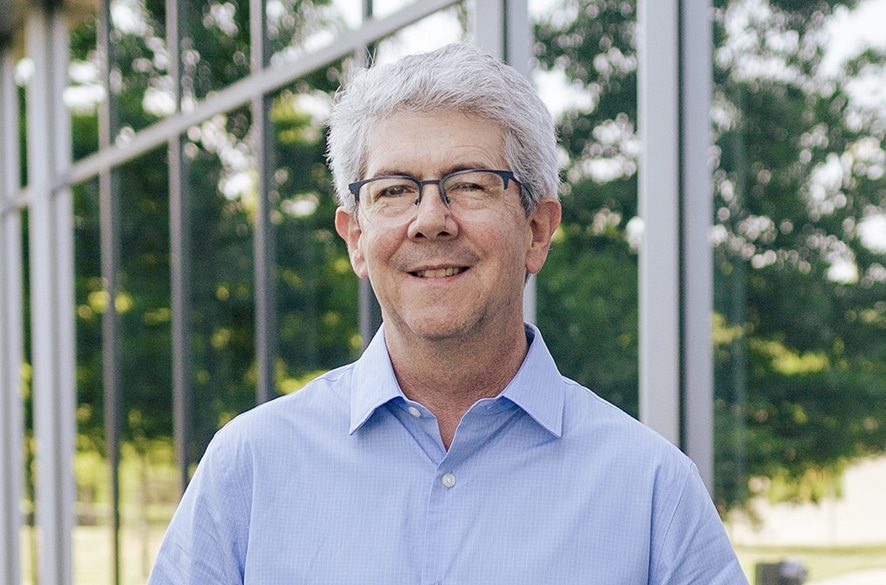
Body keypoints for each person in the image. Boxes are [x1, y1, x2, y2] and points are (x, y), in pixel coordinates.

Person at [147, 43, 748, 584]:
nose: (430, 219)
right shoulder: (248, 469)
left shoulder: (652, 492)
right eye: (393, 190)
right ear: (356, 237)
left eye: (469, 184)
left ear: (537, 230)